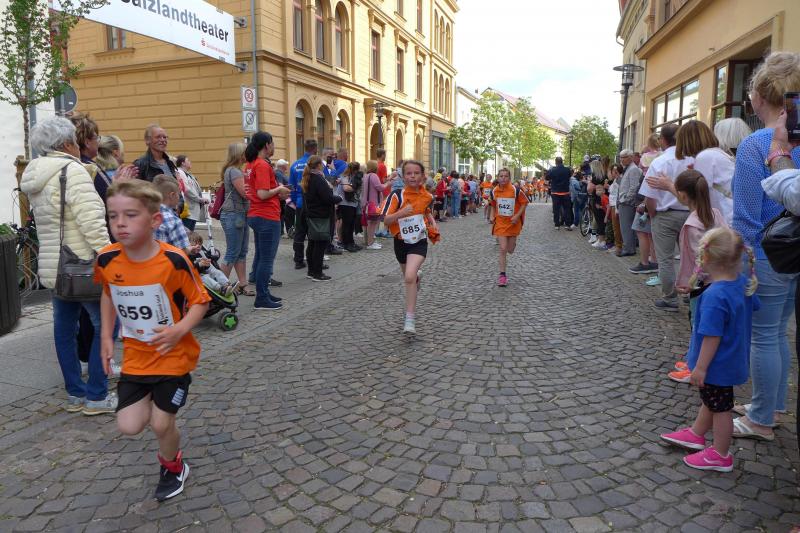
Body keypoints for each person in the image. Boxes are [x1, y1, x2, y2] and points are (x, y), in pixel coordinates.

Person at [96, 179, 210, 501]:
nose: (120, 223)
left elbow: (201, 302)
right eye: (113, 216)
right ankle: (153, 403)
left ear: (155, 220)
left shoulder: (174, 260)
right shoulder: (106, 259)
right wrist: (106, 336)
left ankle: (173, 467)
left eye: (130, 215)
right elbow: (108, 293)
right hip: (136, 358)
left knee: (161, 425)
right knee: (129, 425)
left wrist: (179, 329)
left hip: (173, 355)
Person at [20, 116, 116, 415]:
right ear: (65, 144)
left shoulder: (36, 174)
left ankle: (75, 393)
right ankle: (97, 396)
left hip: (56, 267)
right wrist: (109, 256)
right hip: (84, 265)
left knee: (64, 329)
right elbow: (92, 222)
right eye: (74, 140)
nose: (77, 144)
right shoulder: (73, 171)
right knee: (107, 326)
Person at [730, 52, 800, 440]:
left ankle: (760, 418)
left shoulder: (756, 143)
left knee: (764, 335)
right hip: (795, 251)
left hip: (767, 253)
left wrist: (741, 261)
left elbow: (745, 217)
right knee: (778, 333)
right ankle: (772, 404)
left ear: (759, 97)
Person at [659, 228, 759, 473]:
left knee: (721, 408)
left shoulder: (715, 295)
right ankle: (696, 433)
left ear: (705, 259)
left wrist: (700, 368)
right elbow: (754, 306)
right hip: (732, 358)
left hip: (716, 365)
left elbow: (712, 336)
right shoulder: (742, 283)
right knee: (713, 401)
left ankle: (720, 454)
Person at [666, 170, 729, 383]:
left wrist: (688, 282)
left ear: (683, 195)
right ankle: (693, 359)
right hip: (720, 279)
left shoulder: (692, 225)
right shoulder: (715, 214)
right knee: (703, 324)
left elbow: (698, 261)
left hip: (701, 285)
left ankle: (695, 367)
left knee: (698, 325)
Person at [638, 123, 693, 311]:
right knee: (691, 256)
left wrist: (653, 215)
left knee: (665, 259)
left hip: (665, 214)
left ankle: (670, 298)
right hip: (690, 213)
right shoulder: (691, 160)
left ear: (663, 140)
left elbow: (649, 196)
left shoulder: (659, 162)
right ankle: (691, 293)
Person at [381, 159, 438, 334]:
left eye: (416, 173)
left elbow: (425, 210)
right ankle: (416, 278)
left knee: (408, 277)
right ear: (403, 176)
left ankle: (410, 319)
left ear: (422, 176)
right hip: (400, 241)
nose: (412, 176)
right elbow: (385, 220)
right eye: (409, 173)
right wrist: (401, 213)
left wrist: (432, 222)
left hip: (419, 241)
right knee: (409, 276)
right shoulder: (396, 195)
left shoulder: (428, 197)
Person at [245, 132, 290, 310]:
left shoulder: (250, 164)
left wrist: (277, 191)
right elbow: (263, 194)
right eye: (273, 143)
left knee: (262, 257)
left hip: (256, 214)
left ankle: (264, 292)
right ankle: (262, 298)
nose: (274, 147)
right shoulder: (262, 164)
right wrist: (279, 189)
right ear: (266, 145)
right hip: (266, 216)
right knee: (266, 260)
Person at [217, 143, 254, 296]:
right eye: (246, 152)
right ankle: (220, 286)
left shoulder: (236, 170)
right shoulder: (234, 171)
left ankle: (242, 284)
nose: (249, 154)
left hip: (239, 214)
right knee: (233, 252)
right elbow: (245, 193)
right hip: (233, 215)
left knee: (242, 252)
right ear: (240, 154)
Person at [302, 156, 342, 281]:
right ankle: (317, 273)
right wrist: (339, 198)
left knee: (312, 243)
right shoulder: (318, 179)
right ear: (319, 165)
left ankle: (311, 271)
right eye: (322, 164)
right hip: (320, 215)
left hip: (312, 214)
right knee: (319, 245)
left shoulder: (309, 177)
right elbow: (327, 198)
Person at [488, 168, 529, 287]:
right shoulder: (494, 191)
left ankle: (512, 245)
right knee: (502, 248)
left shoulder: (515, 190)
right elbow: (493, 204)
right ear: (498, 178)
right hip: (500, 223)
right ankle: (502, 276)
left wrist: (517, 216)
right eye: (501, 176)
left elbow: (525, 203)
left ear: (509, 178)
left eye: (506, 176)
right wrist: (492, 215)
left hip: (513, 223)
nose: (503, 178)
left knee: (510, 250)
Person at [289, 140, 318, 270]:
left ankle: (298, 260)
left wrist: (295, 202)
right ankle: (314, 260)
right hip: (313, 204)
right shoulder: (316, 164)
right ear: (315, 149)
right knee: (314, 232)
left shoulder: (295, 165)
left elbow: (291, 187)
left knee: (300, 233)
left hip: (300, 204)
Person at [152, 175, 191, 254]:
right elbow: (182, 251)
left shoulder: (144, 214)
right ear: (172, 195)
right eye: (179, 194)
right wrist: (190, 250)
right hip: (166, 260)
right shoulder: (173, 221)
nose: (179, 197)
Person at [616, 149, 643, 257]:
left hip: (627, 203)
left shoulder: (633, 169)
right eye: (621, 157)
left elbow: (634, 187)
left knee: (626, 227)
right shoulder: (628, 168)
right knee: (626, 226)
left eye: (624, 157)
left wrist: (626, 199)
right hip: (625, 201)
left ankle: (628, 248)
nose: (621, 160)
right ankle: (629, 247)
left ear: (631, 157)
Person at [336, 161, 362, 252]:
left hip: (352, 204)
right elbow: (346, 188)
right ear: (354, 170)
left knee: (351, 225)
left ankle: (351, 242)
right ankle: (346, 243)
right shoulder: (345, 177)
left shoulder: (353, 177)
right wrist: (355, 187)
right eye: (357, 170)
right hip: (345, 204)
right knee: (347, 224)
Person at [175, 155, 206, 232]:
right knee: (187, 233)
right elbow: (187, 190)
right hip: (187, 210)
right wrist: (199, 199)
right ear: (183, 163)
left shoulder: (187, 174)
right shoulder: (180, 172)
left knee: (190, 233)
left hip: (192, 210)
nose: (190, 162)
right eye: (188, 160)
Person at [362, 160, 384, 249]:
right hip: (373, 203)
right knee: (373, 223)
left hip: (367, 203)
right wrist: (388, 183)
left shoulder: (366, 176)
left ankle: (369, 242)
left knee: (368, 223)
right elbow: (380, 187)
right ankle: (370, 243)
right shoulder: (374, 176)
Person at [546, 157, 573, 229]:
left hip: (556, 193)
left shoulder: (553, 170)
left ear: (556, 162)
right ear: (562, 162)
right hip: (565, 193)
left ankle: (557, 225)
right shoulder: (567, 170)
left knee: (556, 209)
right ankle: (568, 225)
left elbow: (547, 177)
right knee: (567, 209)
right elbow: (570, 176)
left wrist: (549, 171)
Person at [275, 159, 292, 236]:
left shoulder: (281, 173)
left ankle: (281, 231)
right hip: (281, 198)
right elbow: (280, 185)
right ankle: (280, 231)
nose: (287, 166)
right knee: (281, 214)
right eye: (286, 165)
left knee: (282, 214)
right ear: (282, 166)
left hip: (284, 198)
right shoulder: (278, 174)